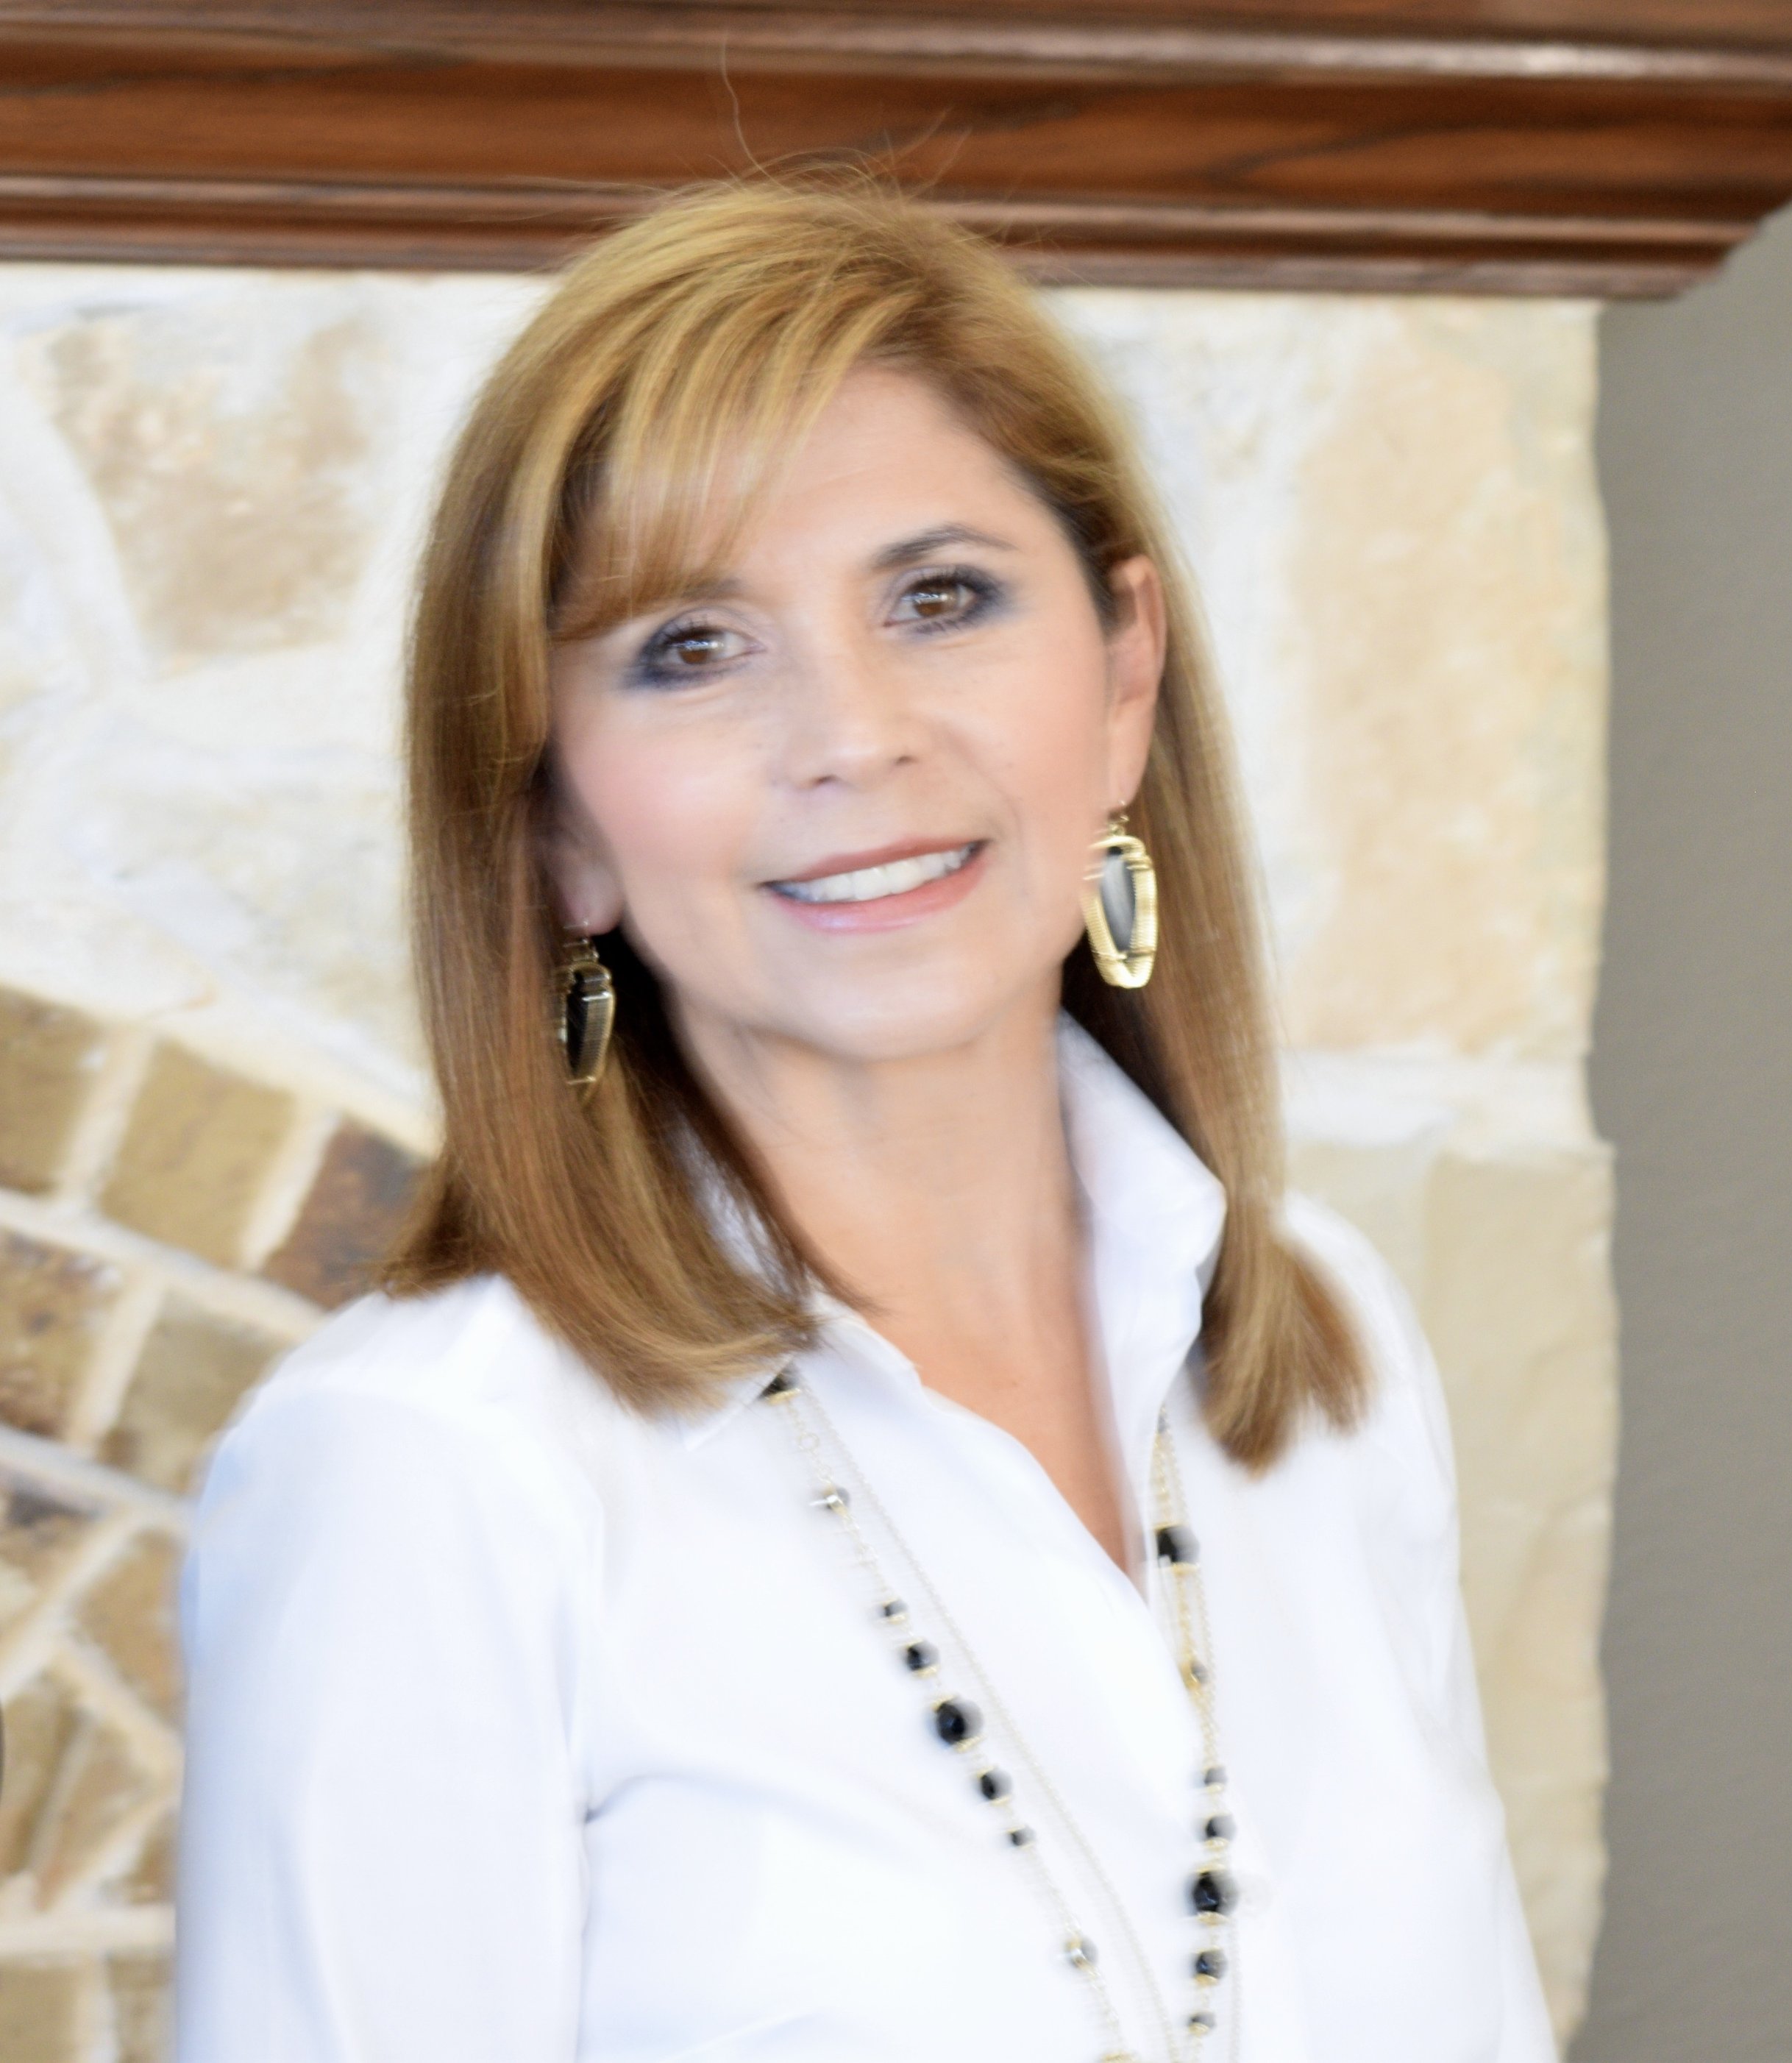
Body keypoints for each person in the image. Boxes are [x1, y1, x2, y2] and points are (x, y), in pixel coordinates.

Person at [174, 177, 1557, 2063]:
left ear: (1123, 674)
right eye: (690, 646)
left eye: (939, 597)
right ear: (558, 822)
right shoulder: (425, 1471)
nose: (853, 733)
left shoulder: (1320, 1348)